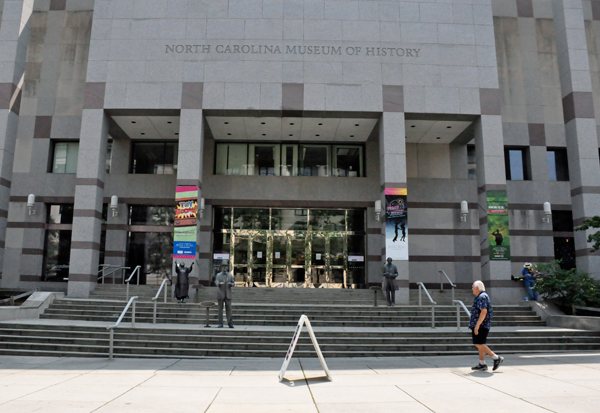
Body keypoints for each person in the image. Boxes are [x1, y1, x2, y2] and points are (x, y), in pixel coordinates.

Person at [470, 280, 504, 371]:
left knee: (478, 343)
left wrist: (477, 325)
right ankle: (482, 363)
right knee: (480, 343)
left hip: (481, 325)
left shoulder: (482, 296)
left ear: (477, 287)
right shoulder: (480, 296)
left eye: (473, 286)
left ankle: (496, 358)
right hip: (481, 324)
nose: (472, 288)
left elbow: (484, 311)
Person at [215, 262, 235, 328]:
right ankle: (220, 323)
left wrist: (231, 284)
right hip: (221, 294)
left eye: (226, 267)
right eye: (223, 267)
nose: (224, 268)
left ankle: (230, 322)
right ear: (221, 268)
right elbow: (216, 282)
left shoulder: (230, 275)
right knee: (220, 309)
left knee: (229, 309)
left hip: (228, 294)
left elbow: (233, 283)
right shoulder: (218, 275)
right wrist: (219, 283)